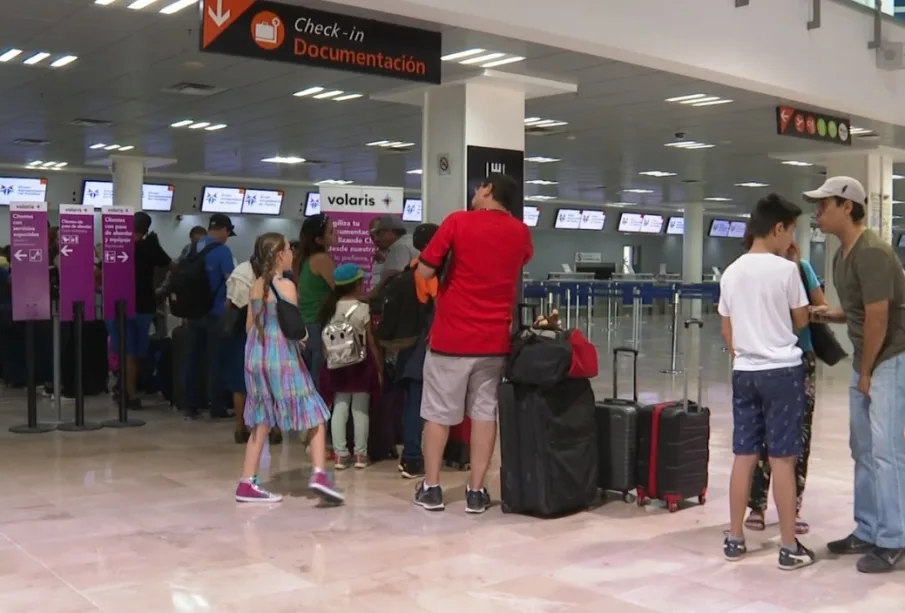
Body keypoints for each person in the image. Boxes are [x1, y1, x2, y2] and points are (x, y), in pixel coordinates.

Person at [413, 173, 533, 514]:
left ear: (488, 190)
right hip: (494, 341)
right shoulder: (520, 232)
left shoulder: (457, 222)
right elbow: (520, 260)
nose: (474, 194)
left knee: (438, 414)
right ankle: (477, 491)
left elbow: (423, 272)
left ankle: (432, 487)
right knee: (484, 414)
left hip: (451, 337)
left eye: (477, 188)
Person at [804, 176, 905, 574]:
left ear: (848, 206)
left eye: (823, 205)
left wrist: (865, 372)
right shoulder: (841, 254)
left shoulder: (873, 252)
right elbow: (863, 309)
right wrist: (834, 314)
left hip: (889, 359)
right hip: (868, 358)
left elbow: (881, 317)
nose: (818, 212)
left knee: (885, 452)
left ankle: (894, 537)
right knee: (861, 449)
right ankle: (867, 527)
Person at [718, 193, 815, 571]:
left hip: (745, 371)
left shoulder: (731, 272)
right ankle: (789, 546)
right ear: (778, 229)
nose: (791, 239)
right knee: (782, 459)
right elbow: (802, 320)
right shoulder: (786, 270)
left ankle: (735, 537)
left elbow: (728, 329)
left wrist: (746, 352)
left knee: (744, 455)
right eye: (790, 231)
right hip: (782, 371)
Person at [236, 232, 342, 505]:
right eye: (289, 249)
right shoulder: (286, 287)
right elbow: (294, 328)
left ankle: (247, 482)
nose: (293, 253)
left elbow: (249, 326)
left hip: (255, 354)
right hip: (281, 355)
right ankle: (319, 474)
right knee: (315, 412)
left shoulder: (256, 285)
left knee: (261, 418)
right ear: (280, 254)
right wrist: (305, 338)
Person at [744, 240, 827, 536]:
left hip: (799, 358)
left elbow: (821, 307)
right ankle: (757, 504)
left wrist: (795, 273)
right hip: (766, 358)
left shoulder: (801, 269)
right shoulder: (754, 270)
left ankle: (793, 506)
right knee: (759, 433)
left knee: (798, 435)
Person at [318, 263, 381, 470]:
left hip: (336, 364)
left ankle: (340, 454)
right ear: (356, 285)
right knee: (360, 410)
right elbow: (370, 340)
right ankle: (361, 455)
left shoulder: (329, 307)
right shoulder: (363, 308)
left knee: (339, 408)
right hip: (360, 363)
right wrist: (379, 366)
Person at [108, 212, 173, 410]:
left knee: (124, 351)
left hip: (119, 303)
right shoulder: (151, 246)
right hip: (144, 305)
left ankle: (128, 392)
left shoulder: (117, 244)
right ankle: (130, 391)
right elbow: (171, 265)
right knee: (135, 352)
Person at [397, 223, 440, 479]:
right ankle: (413, 457)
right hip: (425, 344)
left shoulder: (409, 267)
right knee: (420, 403)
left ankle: (411, 454)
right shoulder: (428, 273)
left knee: (411, 401)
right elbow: (435, 305)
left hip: (408, 344)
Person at [184, 214, 235, 420]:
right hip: (216, 313)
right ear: (225, 230)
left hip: (193, 312)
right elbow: (230, 281)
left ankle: (190, 404)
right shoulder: (223, 251)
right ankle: (217, 406)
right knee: (216, 360)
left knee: (193, 358)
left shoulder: (191, 248)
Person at [292, 214, 337, 391]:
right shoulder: (322, 259)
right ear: (319, 239)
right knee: (320, 378)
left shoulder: (302, 260)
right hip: (319, 324)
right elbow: (340, 290)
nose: (337, 234)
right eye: (332, 231)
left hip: (305, 324)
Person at [226, 254, 258, 442]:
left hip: (240, 333)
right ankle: (273, 429)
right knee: (269, 381)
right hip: (265, 332)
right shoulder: (272, 277)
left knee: (240, 383)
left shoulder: (241, 272)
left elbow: (230, 302)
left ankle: (240, 427)